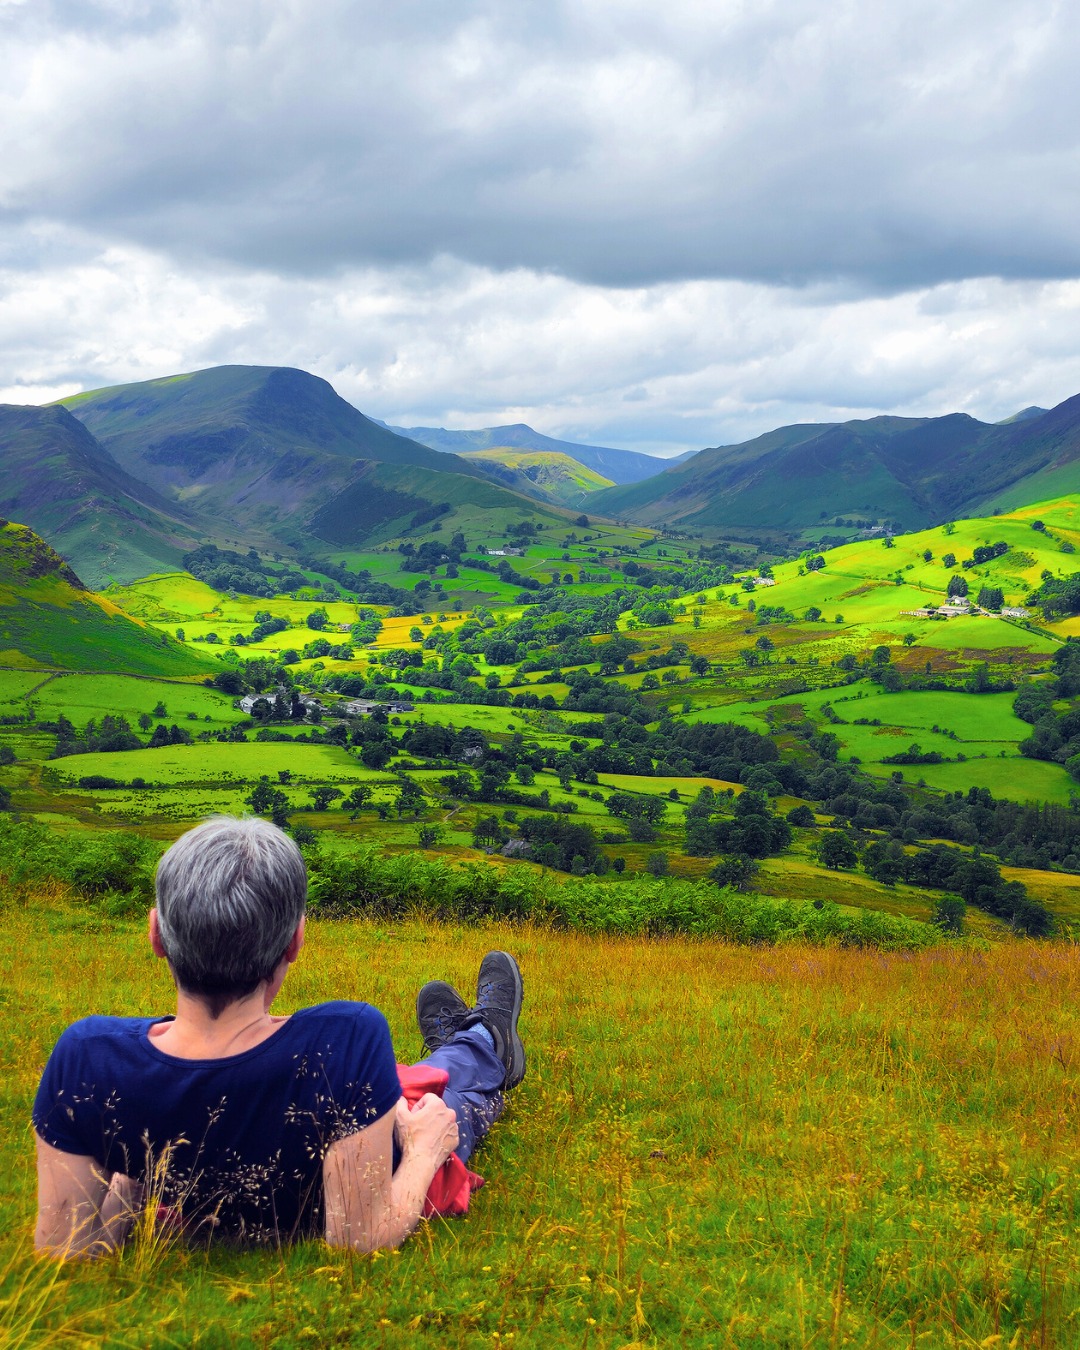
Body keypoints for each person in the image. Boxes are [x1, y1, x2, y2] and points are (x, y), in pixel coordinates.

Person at [32, 815, 525, 1258]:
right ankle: (485, 1038)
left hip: (342, 1101)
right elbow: (360, 1238)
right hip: (390, 1153)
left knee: (404, 1080)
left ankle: (468, 1041)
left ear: (156, 935)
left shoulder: (88, 1058)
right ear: (295, 941)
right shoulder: (345, 1037)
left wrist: (133, 1161)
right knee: (444, 1097)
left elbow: (65, 1247)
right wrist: (424, 1150)